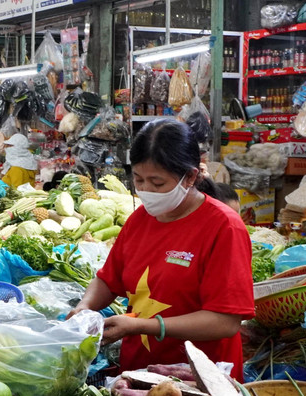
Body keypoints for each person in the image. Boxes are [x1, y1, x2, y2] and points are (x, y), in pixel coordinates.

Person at [68, 119, 254, 380]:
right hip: (137, 374)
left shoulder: (224, 227)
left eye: (157, 183)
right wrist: (85, 306)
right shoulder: (140, 219)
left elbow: (225, 321)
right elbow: (109, 279)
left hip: (201, 381)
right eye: (139, 180)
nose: (146, 191)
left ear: (190, 177)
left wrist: (143, 326)